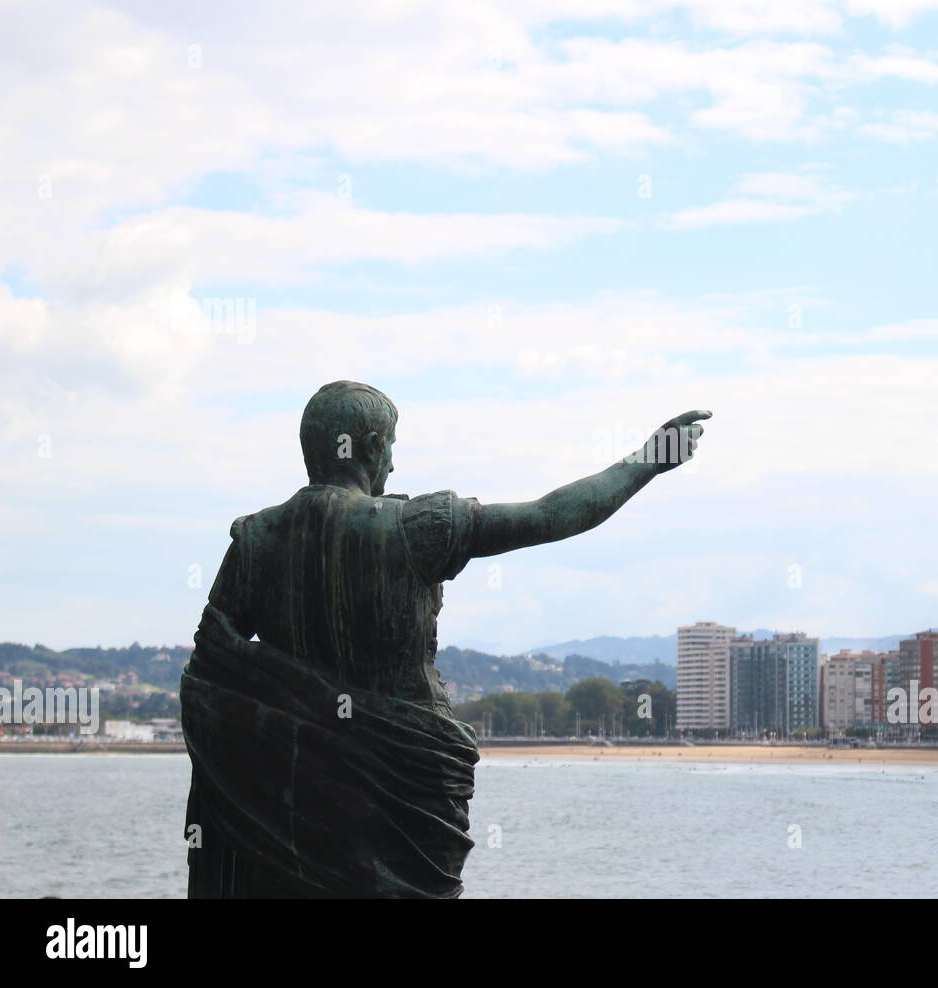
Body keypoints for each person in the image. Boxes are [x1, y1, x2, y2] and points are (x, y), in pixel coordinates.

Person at [181, 381, 710, 898]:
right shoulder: (416, 527)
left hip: (288, 797)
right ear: (370, 446)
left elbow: (209, 665)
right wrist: (648, 461)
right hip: (410, 782)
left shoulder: (257, 539)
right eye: (390, 447)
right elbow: (554, 515)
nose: (391, 464)